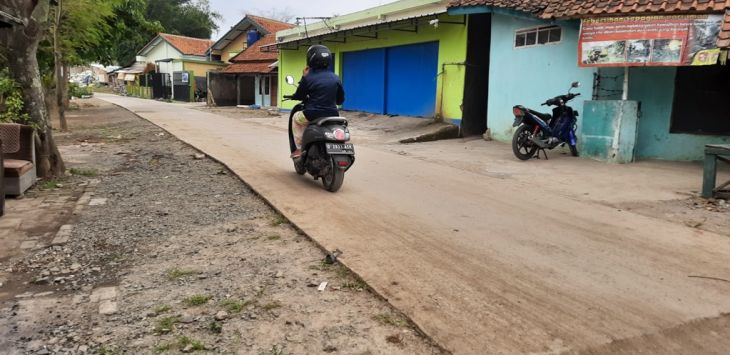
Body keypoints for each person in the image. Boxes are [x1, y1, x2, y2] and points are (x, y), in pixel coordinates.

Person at [290, 45, 345, 158]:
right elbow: (340, 100)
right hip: (332, 114)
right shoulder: (336, 77)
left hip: (312, 114)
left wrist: (303, 76)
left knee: (296, 118)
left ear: (310, 59)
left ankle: (300, 148)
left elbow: (300, 95)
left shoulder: (308, 77)